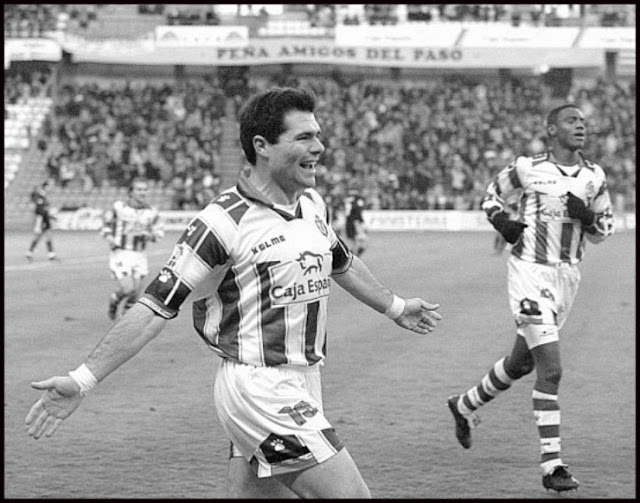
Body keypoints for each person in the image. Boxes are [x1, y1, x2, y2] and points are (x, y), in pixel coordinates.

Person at [25, 87, 442, 499]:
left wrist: (397, 307)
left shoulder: (312, 204)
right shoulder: (222, 223)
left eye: (317, 134)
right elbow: (154, 307)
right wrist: (82, 379)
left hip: (304, 379)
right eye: (304, 137)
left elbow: (341, 261)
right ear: (262, 146)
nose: (321, 146)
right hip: (259, 388)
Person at [447, 104, 614, 493]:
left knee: (521, 363)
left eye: (583, 123)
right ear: (551, 129)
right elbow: (492, 195)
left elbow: (604, 229)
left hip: (567, 278)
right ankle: (552, 465)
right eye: (572, 121)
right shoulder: (527, 168)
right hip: (529, 273)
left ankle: (465, 404)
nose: (581, 127)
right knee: (550, 370)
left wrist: (587, 217)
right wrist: (502, 221)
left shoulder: (594, 176)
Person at [101, 177, 164, 320]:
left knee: (135, 293)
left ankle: (124, 320)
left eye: (145, 189)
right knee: (127, 288)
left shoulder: (152, 212)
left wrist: (149, 235)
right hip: (121, 253)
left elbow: (159, 233)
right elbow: (105, 224)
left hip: (140, 255)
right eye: (139, 189)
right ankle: (114, 302)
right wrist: (110, 237)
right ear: (131, 192)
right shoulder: (119, 208)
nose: (143, 193)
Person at [26, 179, 57, 261]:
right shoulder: (41, 195)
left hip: (45, 219)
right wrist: (38, 223)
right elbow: (39, 210)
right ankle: (30, 252)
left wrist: (51, 216)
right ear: (46, 186)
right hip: (42, 220)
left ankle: (51, 254)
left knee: (47, 235)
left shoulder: (44, 195)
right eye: (50, 186)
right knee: (39, 236)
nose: (51, 188)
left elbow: (44, 209)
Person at [344, 189, 368, 256]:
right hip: (355, 222)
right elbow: (358, 212)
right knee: (358, 239)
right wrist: (361, 221)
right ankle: (355, 254)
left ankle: (353, 254)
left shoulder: (347, 200)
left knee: (353, 240)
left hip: (349, 221)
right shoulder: (357, 200)